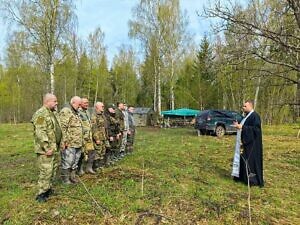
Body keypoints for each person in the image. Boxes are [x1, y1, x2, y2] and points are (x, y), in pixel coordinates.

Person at [31, 93, 62, 202]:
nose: (56, 103)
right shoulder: (41, 114)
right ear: (47, 101)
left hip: (54, 148)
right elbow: (40, 132)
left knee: (53, 170)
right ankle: (41, 194)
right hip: (46, 150)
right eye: (55, 101)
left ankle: (48, 189)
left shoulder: (53, 113)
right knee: (46, 171)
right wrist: (46, 147)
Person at [232, 100, 264, 187]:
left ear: (250, 106)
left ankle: (253, 180)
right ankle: (242, 178)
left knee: (250, 162)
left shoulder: (255, 116)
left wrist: (242, 127)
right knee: (243, 160)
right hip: (245, 143)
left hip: (252, 145)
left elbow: (256, 130)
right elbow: (245, 127)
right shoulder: (246, 117)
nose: (243, 108)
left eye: (245, 106)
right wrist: (239, 126)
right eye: (243, 106)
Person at [59, 96, 83, 184]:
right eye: (79, 104)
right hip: (69, 143)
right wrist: (64, 141)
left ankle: (72, 177)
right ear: (73, 103)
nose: (80, 106)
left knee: (75, 161)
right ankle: (65, 179)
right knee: (68, 161)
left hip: (78, 142)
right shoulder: (66, 111)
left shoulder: (77, 112)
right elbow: (62, 128)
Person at [78, 98, 96, 175]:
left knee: (92, 152)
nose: (87, 104)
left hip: (89, 137)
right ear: (80, 103)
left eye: (87, 103)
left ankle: (89, 168)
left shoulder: (87, 112)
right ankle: (80, 169)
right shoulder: (78, 112)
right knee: (82, 154)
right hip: (82, 137)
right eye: (85, 103)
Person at [91, 102, 108, 171]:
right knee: (97, 152)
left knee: (102, 152)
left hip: (103, 137)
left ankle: (101, 165)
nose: (103, 108)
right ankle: (96, 166)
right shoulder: (94, 116)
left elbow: (105, 127)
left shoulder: (102, 115)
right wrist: (96, 139)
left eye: (103, 106)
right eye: (102, 106)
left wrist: (106, 136)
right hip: (98, 138)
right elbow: (94, 128)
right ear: (97, 107)